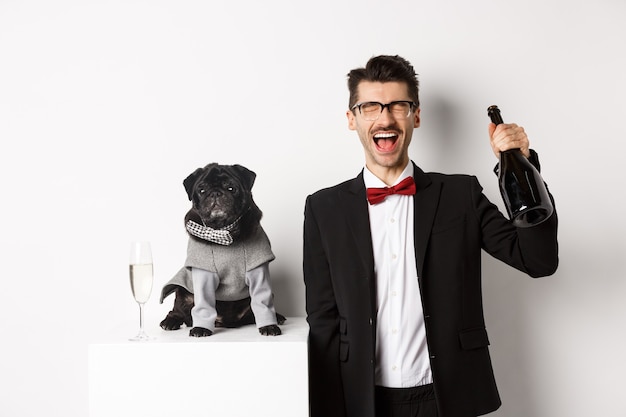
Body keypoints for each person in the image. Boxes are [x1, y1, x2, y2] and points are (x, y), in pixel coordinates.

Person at [302, 55, 558, 417]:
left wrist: (525, 169)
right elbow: (323, 320)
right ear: (352, 119)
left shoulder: (460, 196)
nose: (386, 118)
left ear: (416, 115)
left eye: (398, 106)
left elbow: (538, 260)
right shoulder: (323, 209)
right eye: (371, 106)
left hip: (447, 399)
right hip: (361, 400)